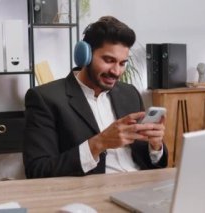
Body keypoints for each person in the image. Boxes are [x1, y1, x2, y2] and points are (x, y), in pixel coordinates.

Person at [23, 16, 167, 178]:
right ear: (85, 55)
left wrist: (155, 147)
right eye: (108, 60)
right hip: (94, 191)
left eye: (122, 63)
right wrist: (100, 142)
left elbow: (151, 162)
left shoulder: (130, 93)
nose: (116, 71)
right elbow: (37, 170)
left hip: (140, 185)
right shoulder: (45, 98)